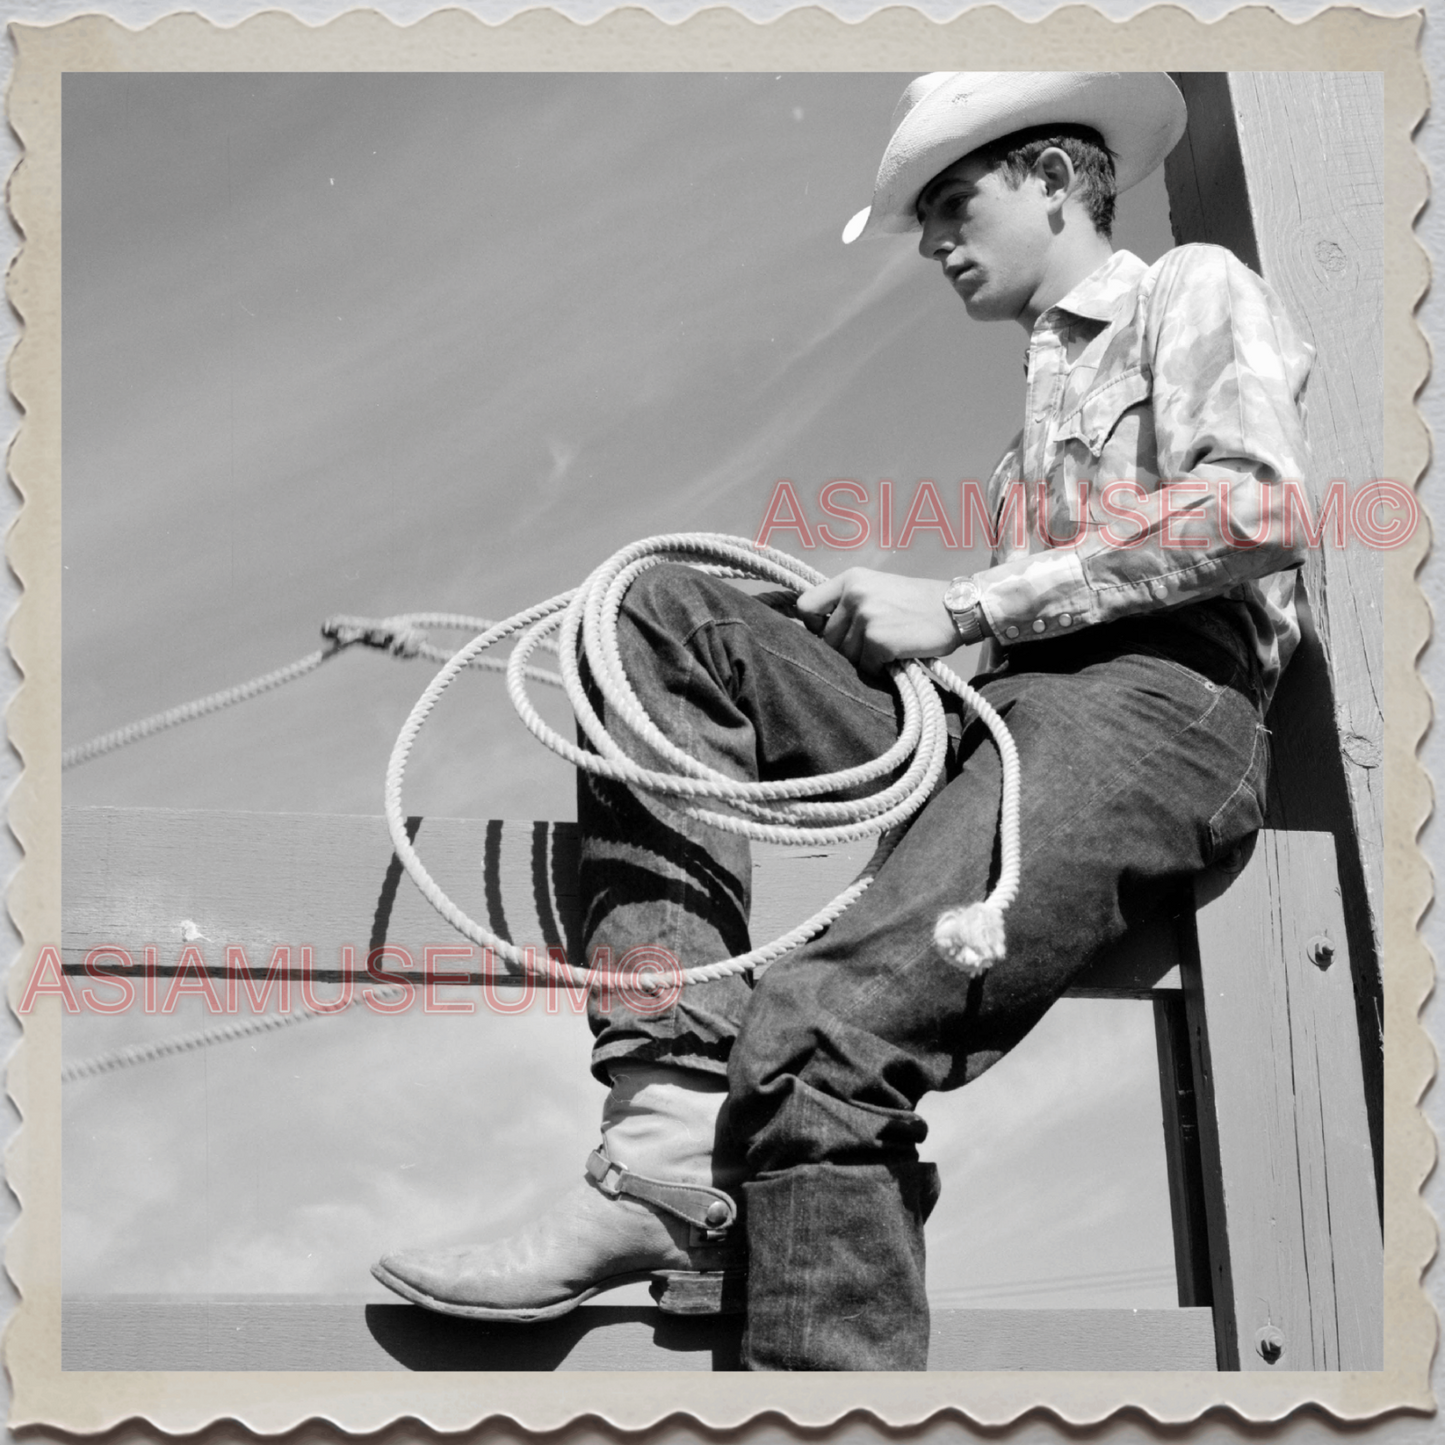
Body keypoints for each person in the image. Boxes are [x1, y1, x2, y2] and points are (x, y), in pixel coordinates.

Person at [374, 71, 1314, 1370]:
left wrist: (968, 597)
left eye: (951, 201)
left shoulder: (1188, 291)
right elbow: (1004, 625)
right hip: (1012, 707)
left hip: (1160, 703)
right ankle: (663, 1149)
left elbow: (1256, 512)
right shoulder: (1018, 447)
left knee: (823, 1031)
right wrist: (920, 628)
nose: (931, 240)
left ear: (1054, 178)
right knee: (659, 613)